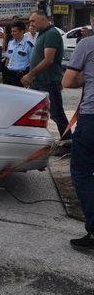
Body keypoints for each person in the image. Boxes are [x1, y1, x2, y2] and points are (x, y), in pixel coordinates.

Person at [62, 18, 94, 250]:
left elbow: (68, 81)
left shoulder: (87, 44)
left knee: (82, 173)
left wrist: (87, 76)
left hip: (91, 120)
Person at [21, 11, 70, 138]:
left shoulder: (51, 34)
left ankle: (68, 141)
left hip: (49, 82)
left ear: (43, 19)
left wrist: (31, 75)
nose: (31, 23)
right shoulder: (42, 34)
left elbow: (48, 59)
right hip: (39, 81)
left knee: (57, 114)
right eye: (30, 21)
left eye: (33, 20)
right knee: (35, 113)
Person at [3, 20, 33, 87]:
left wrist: (29, 76)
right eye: (12, 31)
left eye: (14, 31)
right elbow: (8, 58)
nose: (12, 33)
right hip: (9, 74)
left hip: (20, 75)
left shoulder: (28, 45)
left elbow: (32, 63)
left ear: (22, 31)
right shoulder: (10, 43)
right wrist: (5, 71)